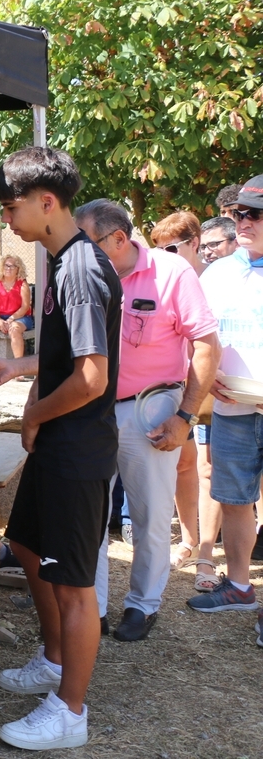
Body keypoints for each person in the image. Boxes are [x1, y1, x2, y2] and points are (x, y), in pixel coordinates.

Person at [0, 147, 120, 750]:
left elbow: (92, 377)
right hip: (59, 441)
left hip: (77, 447)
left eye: (10, 207)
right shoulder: (60, 263)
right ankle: (56, 659)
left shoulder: (80, 268)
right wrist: (18, 369)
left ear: (47, 202)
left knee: (74, 583)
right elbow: (65, 358)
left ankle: (71, 711)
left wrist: (32, 413)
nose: (7, 218)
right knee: (27, 544)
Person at [73, 200, 219, 643]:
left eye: (88, 242)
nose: (80, 251)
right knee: (91, 515)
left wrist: (183, 417)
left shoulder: (173, 274)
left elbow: (207, 346)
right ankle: (92, 608)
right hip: (90, 410)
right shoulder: (83, 275)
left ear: (119, 239)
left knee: (150, 513)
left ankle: (142, 605)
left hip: (150, 409)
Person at [185, 176, 263, 635]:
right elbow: (199, 334)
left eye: (255, 215)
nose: (243, 223)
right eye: (240, 214)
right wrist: (205, 374)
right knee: (234, 499)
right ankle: (238, 585)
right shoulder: (218, 272)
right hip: (232, 406)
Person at [148, 211, 210, 576]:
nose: (165, 255)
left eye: (171, 248)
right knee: (186, 466)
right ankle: (189, 540)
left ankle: (209, 548)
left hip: (220, 388)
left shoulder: (215, 278)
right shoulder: (165, 279)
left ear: (195, 243)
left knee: (209, 467)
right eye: (158, 249)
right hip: (181, 388)